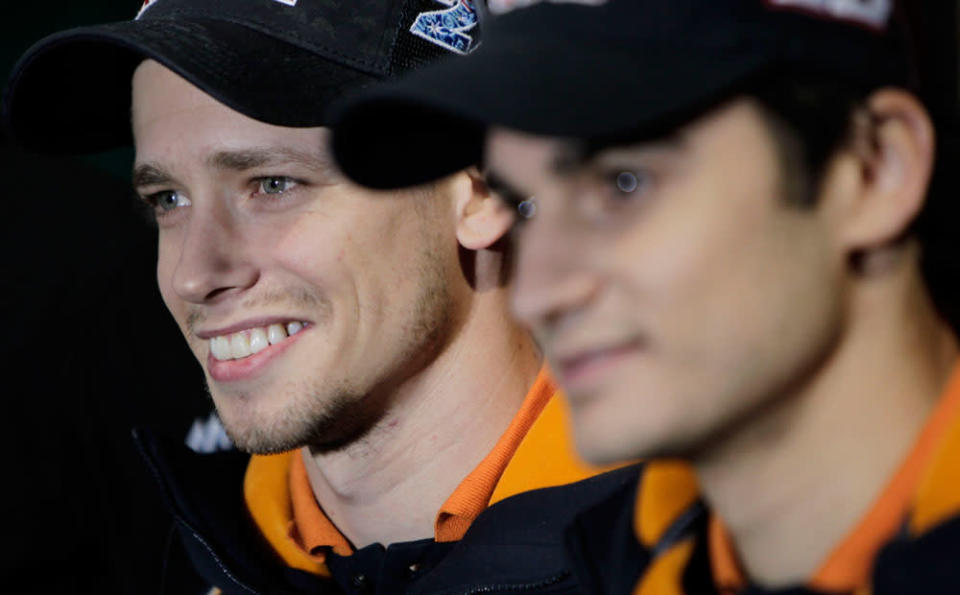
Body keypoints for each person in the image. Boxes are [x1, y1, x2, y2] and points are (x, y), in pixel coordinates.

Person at [326, 0, 960, 592]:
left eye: (623, 183)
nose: (539, 293)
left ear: (874, 169)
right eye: (525, 206)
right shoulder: (614, 561)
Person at [3, 1, 635, 593]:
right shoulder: (188, 559)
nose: (196, 274)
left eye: (273, 184)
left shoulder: (695, 545)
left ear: (479, 189)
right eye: (168, 200)